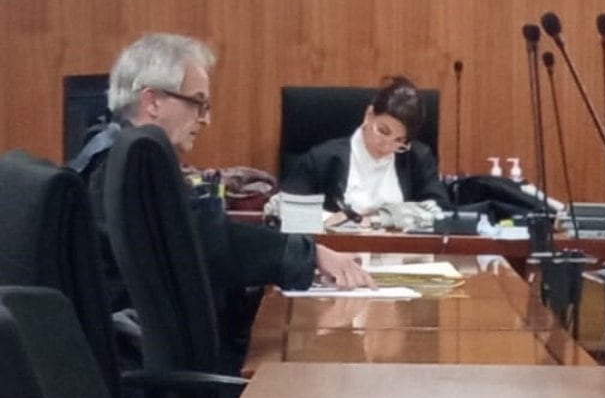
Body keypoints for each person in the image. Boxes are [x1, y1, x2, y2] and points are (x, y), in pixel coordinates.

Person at [69, 33, 372, 302]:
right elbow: (208, 244)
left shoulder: (111, 154)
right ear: (153, 102)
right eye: (197, 102)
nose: (205, 119)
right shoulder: (131, 165)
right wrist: (310, 255)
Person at [281, 75, 452, 217]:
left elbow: (439, 211)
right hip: (333, 247)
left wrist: (389, 218)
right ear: (369, 115)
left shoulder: (417, 158)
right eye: (383, 131)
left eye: (399, 141)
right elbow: (287, 210)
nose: (386, 146)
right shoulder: (323, 159)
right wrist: (330, 219)